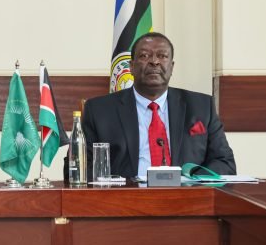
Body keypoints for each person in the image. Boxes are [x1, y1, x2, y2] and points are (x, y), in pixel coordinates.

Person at [83, 32, 236, 180]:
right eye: (144, 56)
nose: (154, 61)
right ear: (131, 66)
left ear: (171, 66)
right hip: (125, 199)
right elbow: (79, 166)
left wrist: (190, 182)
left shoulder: (201, 106)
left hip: (186, 199)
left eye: (162, 56)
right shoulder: (99, 111)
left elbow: (225, 163)